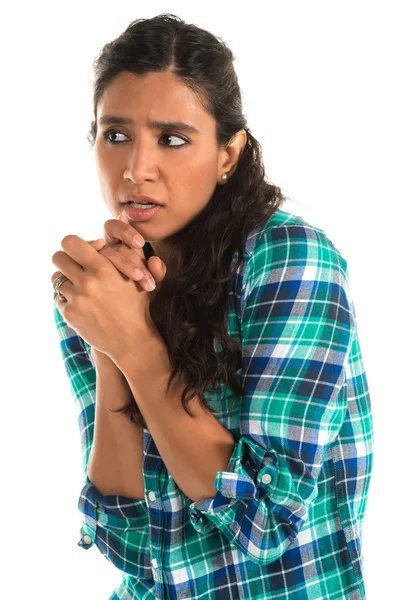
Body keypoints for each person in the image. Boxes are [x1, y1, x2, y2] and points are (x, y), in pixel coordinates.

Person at [51, 13, 374, 600]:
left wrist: (135, 344)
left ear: (228, 154)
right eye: (115, 134)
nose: (135, 169)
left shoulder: (289, 260)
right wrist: (106, 351)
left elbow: (266, 523)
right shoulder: (95, 288)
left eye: (173, 139)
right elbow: (131, 548)